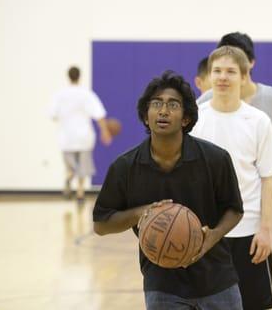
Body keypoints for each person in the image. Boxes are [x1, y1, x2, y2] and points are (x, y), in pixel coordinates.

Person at [93, 71, 244, 310]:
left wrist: (214, 235)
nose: (163, 111)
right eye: (156, 104)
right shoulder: (125, 167)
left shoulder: (215, 159)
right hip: (162, 285)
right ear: (146, 116)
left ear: (185, 118)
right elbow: (101, 224)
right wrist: (142, 213)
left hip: (217, 279)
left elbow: (234, 209)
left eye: (173, 105)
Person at [190, 46, 272, 310]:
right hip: (205, 232)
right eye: (217, 71)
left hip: (249, 233)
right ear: (208, 76)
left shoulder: (258, 121)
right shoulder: (195, 120)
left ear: (244, 76)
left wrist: (265, 230)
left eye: (231, 71)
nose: (222, 77)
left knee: (255, 305)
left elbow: (268, 180)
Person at [197, 32, 272, 160]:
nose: (224, 74)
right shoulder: (206, 102)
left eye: (236, 61)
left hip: (258, 179)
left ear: (250, 63)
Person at [49, 66, 112, 202]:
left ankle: (68, 179)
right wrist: (105, 131)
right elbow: (99, 114)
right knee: (83, 167)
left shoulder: (60, 95)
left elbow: (53, 115)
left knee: (70, 168)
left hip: (66, 137)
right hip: (84, 136)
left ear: (68, 77)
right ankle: (80, 194)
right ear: (79, 77)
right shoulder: (86, 94)